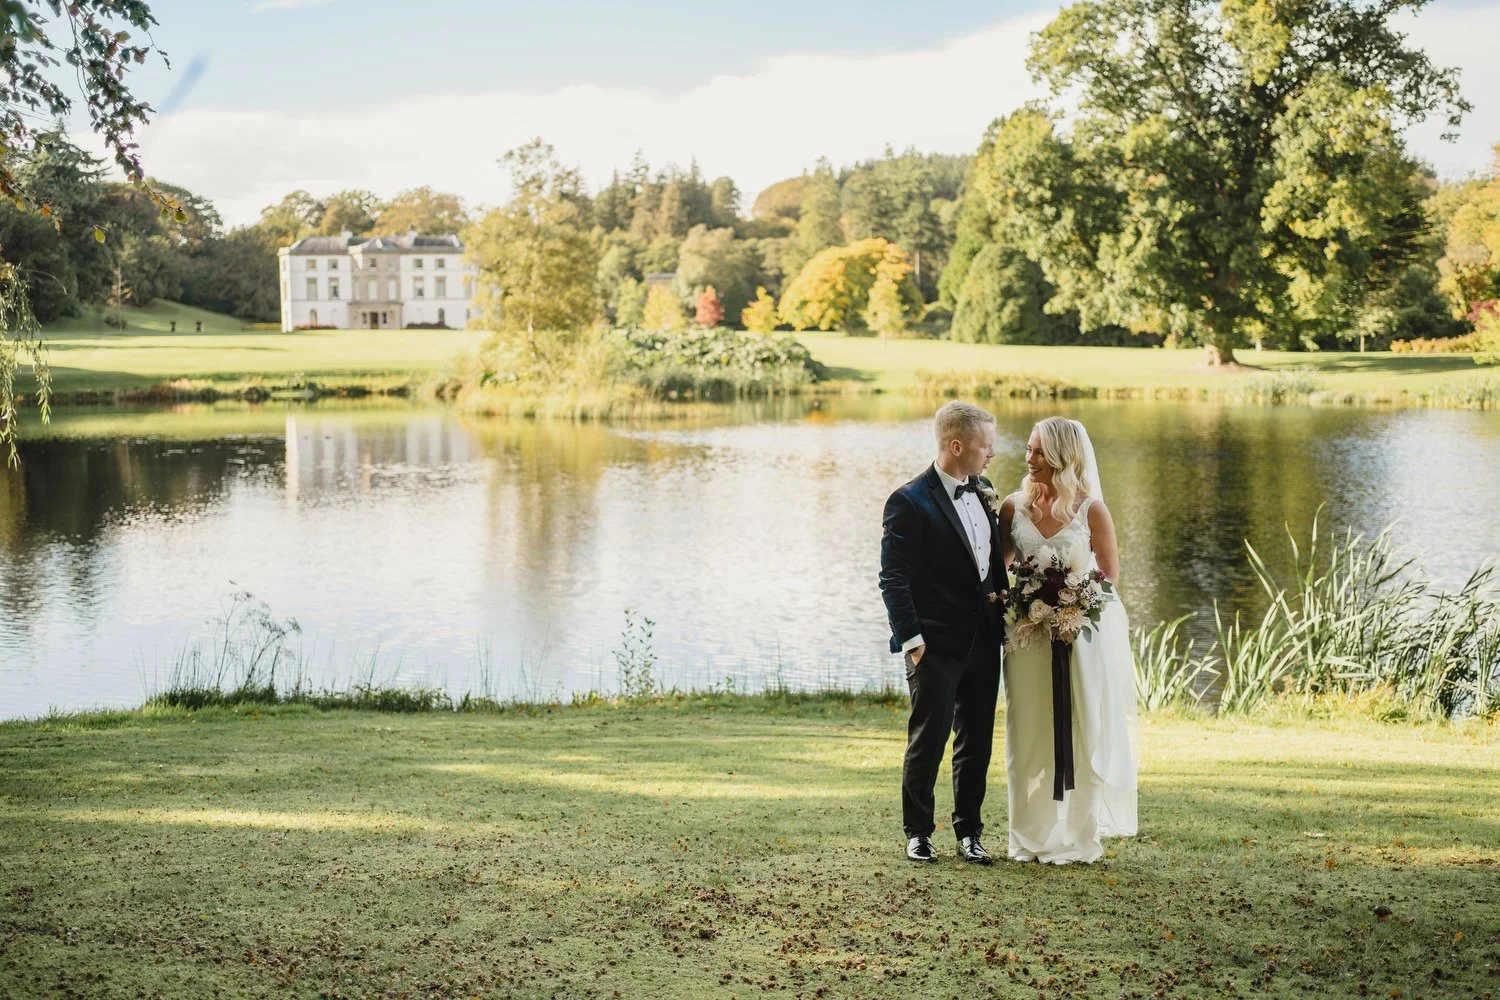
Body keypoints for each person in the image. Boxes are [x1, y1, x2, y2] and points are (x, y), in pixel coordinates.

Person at [998, 416, 1137, 864]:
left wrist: (1073, 603)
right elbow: (999, 570)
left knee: (1082, 731)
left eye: (1038, 451)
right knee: (1029, 731)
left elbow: (1109, 576)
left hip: (1079, 639)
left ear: (1061, 456)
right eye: (1029, 449)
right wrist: (1023, 601)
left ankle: (1078, 836)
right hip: (1027, 641)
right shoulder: (1011, 508)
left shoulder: (1090, 509)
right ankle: (1029, 834)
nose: (1029, 458)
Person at [879, 401, 1009, 864]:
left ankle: (969, 832)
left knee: (977, 741)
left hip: (984, 641)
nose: (992, 454)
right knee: (928, 740)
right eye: (985, 446)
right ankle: (918, 832)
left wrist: (1003, 605)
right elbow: (893, 579)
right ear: (957, 446)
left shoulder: (985, 490)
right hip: (933, 645)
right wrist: (913, 643)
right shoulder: (908, 501)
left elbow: (990, 564)